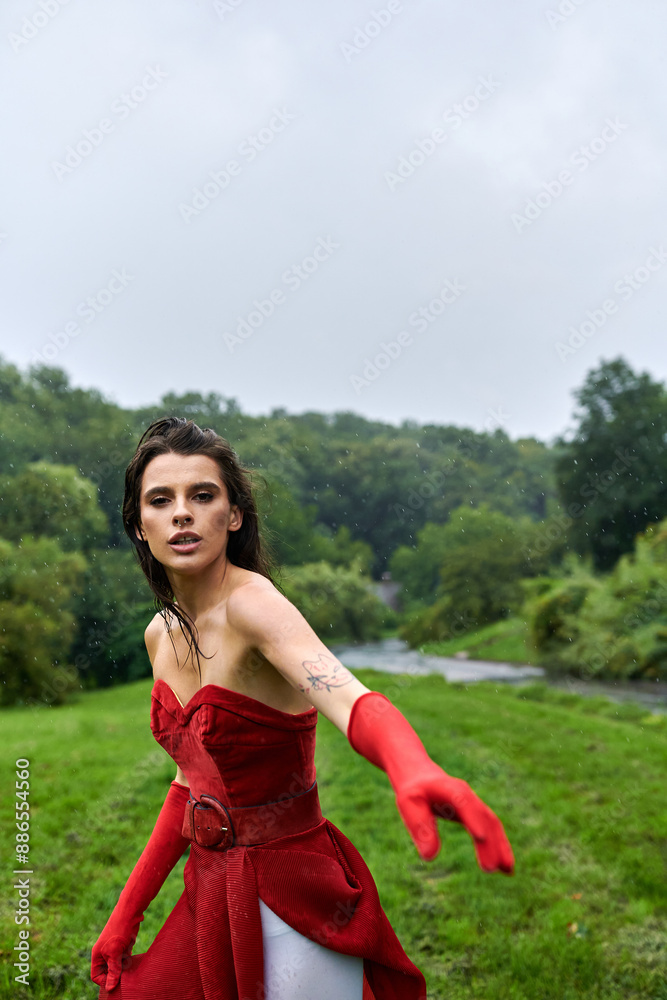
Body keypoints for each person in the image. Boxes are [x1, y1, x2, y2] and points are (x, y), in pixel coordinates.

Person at [90, 416, 515, 1000]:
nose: (182, 512)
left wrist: (412, 766)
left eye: (203, 495)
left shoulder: (255, 606)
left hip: (291, 893)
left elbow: (345, 694)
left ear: (233, 515)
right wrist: (126, 916)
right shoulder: (160, 635)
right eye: (161, 500)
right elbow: (190, 786)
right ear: (140, 525)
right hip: (210, 887)